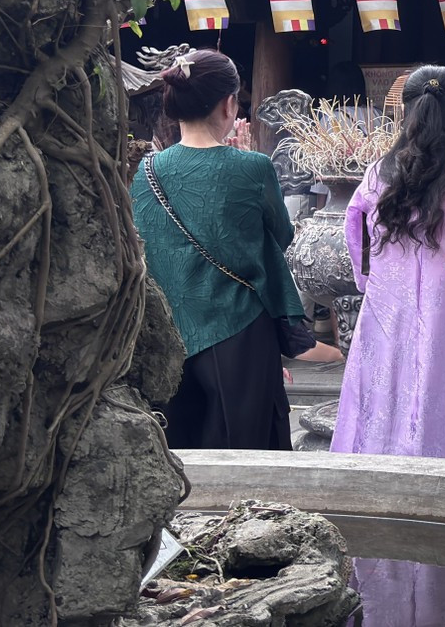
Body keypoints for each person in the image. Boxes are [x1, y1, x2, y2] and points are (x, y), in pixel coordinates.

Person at [131, 50, 339, 449]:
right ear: (229, 104)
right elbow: (280, 236)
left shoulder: (144, 172)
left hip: (167, 334)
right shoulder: (253, 167)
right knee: (248, 450)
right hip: (240, 330)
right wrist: (241, 161)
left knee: (176, 448)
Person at [335, 65, 445, 458]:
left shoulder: (379, 173)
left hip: (387, 308)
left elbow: (355, 232)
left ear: (404, 111)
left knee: (383, 402)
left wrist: (368, 282)